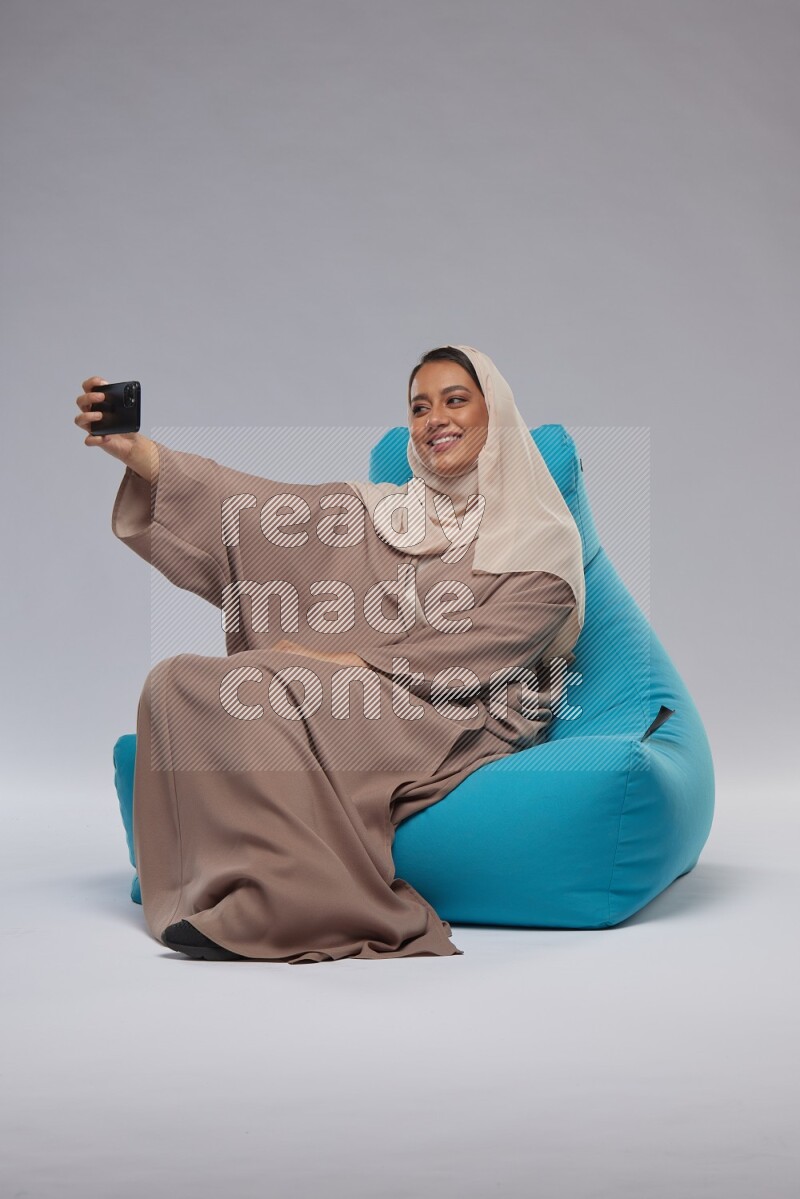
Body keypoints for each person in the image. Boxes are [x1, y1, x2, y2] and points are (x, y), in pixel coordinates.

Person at [74, 345, 585, 963]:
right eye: (419, 407)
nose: (434, 420)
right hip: (373, 689)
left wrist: (348, 665)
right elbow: (256, 509)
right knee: (176, 681)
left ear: (494, 413)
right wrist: (142, 455)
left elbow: (489, 648)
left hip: (462, 709)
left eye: (455, 400)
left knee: (270, 687)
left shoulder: (539, 534)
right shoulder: (386, 513)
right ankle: (227, 889)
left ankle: (300, 905)